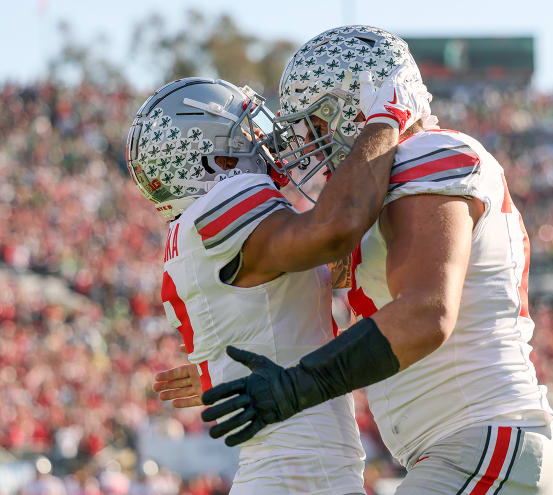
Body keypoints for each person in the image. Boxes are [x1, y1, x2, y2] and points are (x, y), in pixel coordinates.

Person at [201, 25, 553, 494]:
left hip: (486, 443)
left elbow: (426, 311)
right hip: (472, 451)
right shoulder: (398, 183)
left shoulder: (428, 152)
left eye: (318, 122)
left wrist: (299, 386)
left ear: (363, 105)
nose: (311, 141)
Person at [127, 74, 430, 494]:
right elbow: (335, 232)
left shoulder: (194, 231)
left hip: (288, 470)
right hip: (301, 474)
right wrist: (385, 121)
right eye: (245, 131)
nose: (264, 138)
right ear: (218, 161)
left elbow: (282, 303)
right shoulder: (224, 202)